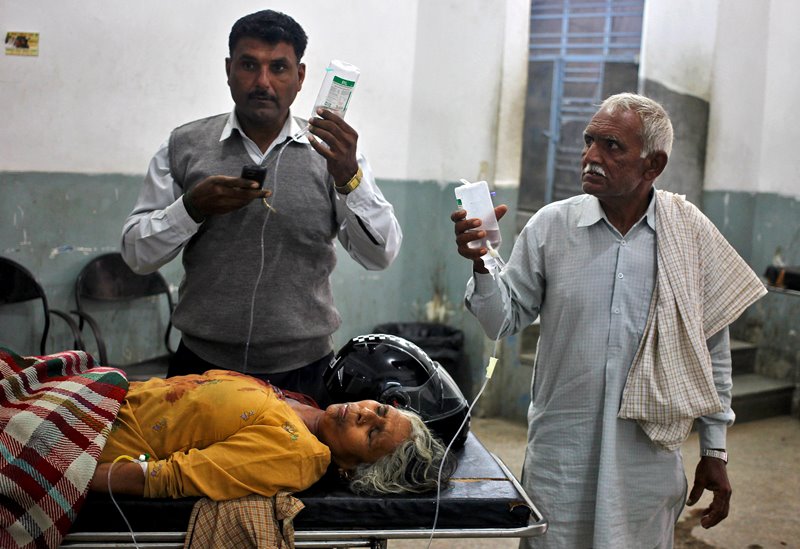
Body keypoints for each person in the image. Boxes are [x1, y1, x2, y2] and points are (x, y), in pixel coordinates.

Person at [450, 93, 766, 547]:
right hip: (562, 453)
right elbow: (502, 321)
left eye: (612, 146)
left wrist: (714, 448)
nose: (590, 157)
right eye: (588, 141)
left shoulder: (688, 234)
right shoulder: (550, 228)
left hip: (647, 457)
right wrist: (481, 265)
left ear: (652, 165)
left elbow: (710, 349)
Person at [120, 9, 402, 407]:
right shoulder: (184, 145)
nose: (263, 83)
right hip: (201, 369)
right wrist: (192, 207)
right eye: (249, 65)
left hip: (304, 373)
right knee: (186, 470)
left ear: (301, 77)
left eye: (279, 68)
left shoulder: (333, 154)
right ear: (228, 70)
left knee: (301, 471)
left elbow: (381, 254)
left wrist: (347, 176)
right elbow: (136, 254)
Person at [90, 370, 451, 499]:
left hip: (94, 437)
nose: (364, 413)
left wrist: (71, 474)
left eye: (372, 434)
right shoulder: (305, 409)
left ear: (355, 470)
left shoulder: (298, 455)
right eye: (380, 409)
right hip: (104, 397)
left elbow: (168, 478)